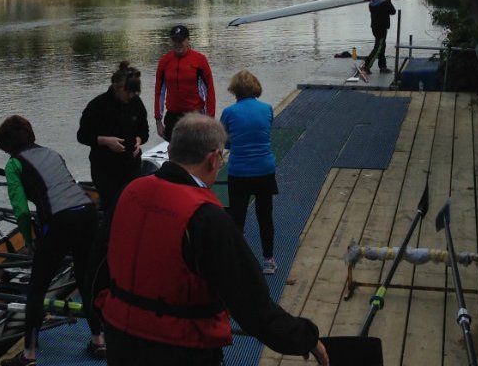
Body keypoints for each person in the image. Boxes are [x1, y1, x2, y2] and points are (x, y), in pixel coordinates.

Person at [95, 114, 329, 366]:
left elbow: (96, 269)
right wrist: (306, 338)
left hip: (119, 340)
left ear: (171, 150)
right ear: (213, 159)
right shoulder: (206, 218)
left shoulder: (128, 193)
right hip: (181, 350)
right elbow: (253, 307)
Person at [0, 116, 106, 366]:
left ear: (8, 147)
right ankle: (99, 341)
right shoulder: (52, 153)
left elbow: (21, 210)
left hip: (59, 221)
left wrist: (29, 241)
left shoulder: (14, 165)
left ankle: (29, 355)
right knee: (86, 281)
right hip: (87, 212)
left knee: (36, 290)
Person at [220, 70, 280, 275]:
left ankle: (238, 261)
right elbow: (265, 132)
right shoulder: (268, 109)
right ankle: (268, 260)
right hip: (264, 168)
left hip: (239, 171)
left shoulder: (228, 112)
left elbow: (226, 140)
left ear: (234, 90)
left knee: (237, 217)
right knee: (265, 215)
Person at [77, 61, 151, 221]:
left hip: (131, 166)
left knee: (134, 208)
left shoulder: (136, 103)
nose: (132, 96)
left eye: (135, 93)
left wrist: (139, 140)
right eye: (129, 92)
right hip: (105, 169)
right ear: (117, 88)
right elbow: (82, 136)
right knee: (113, 210)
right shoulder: (97, 106)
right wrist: (105, 141)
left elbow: (144, 131)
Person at [154, 24, 216, 142]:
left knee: (195, 155)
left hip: (195, 115)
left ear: (188, 40)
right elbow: (159, 92)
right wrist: (158, 120)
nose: (178, 44)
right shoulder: (164, 62)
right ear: (171, 41)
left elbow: (209, 91)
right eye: (175, 40)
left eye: (181, 40)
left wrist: (210, 119)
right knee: (175, 155)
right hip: (173, 116)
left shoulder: (200, 60)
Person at [363, 0, 397, 74]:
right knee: (378, 48)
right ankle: (367, 66)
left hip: (375, 27)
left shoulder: (373, 2)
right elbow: (393, 11)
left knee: (382, 47)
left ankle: (382, 67)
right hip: (381, 28)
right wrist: (389, 0)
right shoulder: (384, 3)